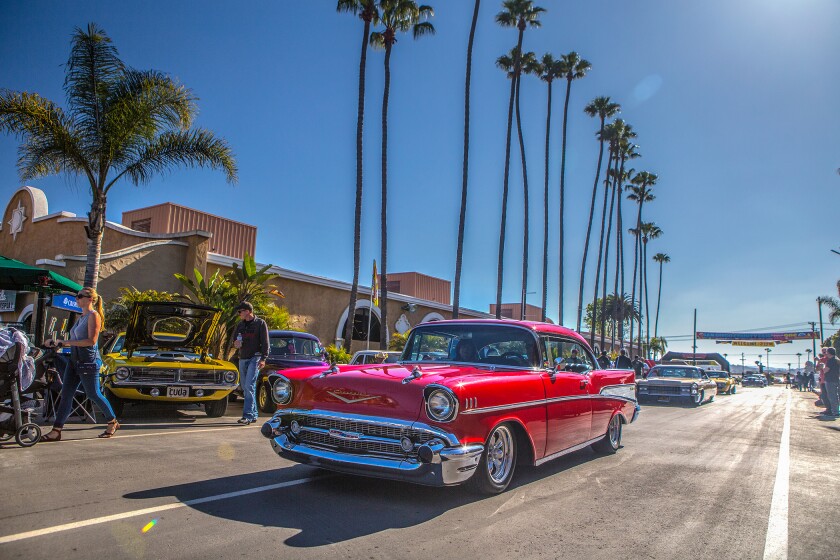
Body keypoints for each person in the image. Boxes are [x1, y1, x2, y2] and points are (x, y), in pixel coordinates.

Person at [42, 287, 119, 441]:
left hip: (88, 361)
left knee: (93, 393)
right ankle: (56, 430)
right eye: (77, 296)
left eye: (80, 296)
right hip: (74, 360)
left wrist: (66, 342)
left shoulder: (93, 315)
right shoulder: (81, 317)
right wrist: (54, 343)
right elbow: (75, 340)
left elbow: (91, 341)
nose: (77, 299)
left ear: (90, 299)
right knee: (66, 394)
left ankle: (112, 421)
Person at [232, 301, 269, 425]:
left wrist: (263, 358)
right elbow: (235, 340)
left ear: (247, 311)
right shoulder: (240, 325)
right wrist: (236, 344)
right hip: (243, 357)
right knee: (245, 387)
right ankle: (253, 414)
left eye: (240, 311)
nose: (239, 314)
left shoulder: (260, 323)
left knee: (249, 386)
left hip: (256, 357)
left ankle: (247, 416)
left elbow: (265, 342)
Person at [820, 348, 839, 419]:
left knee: (832, 397)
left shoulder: (830, 361)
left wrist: (822, 367)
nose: (826, 354)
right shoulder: (837, 360)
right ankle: (836, 411)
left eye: (826, 352)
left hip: (830, 380)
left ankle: (835, 412)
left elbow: (826, 370)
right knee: (836, 396)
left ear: (829, 353)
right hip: (836, 379)